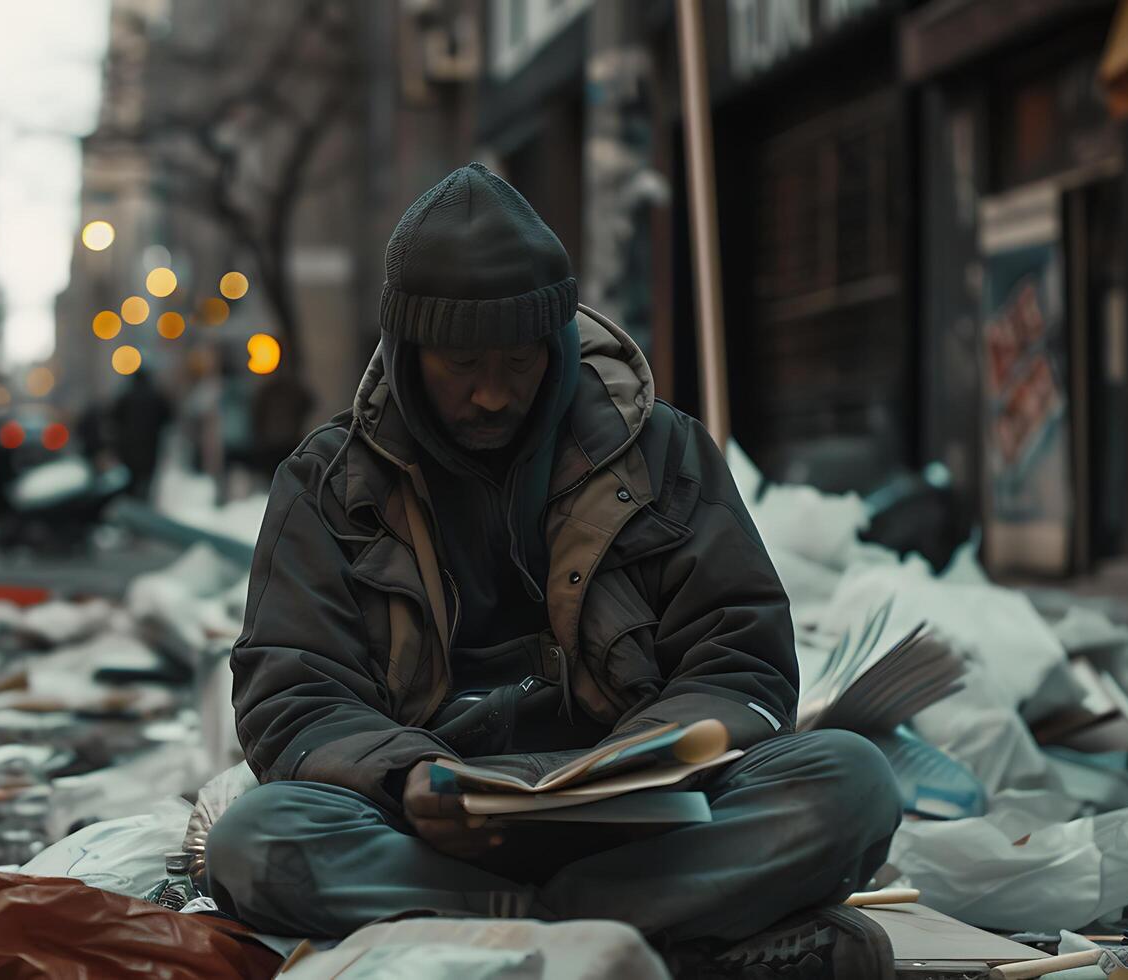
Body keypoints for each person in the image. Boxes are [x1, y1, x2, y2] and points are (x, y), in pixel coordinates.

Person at [205, 164, 903, 978]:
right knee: (255, 840)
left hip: (644, 818)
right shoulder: (326, 483)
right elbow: (293, 692)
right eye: (461, 366)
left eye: (518, 362)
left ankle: (508, 936)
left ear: (557, 344)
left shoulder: (664, 452)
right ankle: (649, 941)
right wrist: (406, 777)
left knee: (849, 781)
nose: (493, 395)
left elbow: (739, 655)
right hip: (421, 822)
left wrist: (644, 762)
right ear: (405, 351)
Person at [107, 370, 173, 501]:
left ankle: (132, 505)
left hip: (128, 448)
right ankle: (143, 502)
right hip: (150, 447)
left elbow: (113, 417)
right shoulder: (156, 396)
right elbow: (168, 416)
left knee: (130, 483)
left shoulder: (126, 396)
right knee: (146, 483)